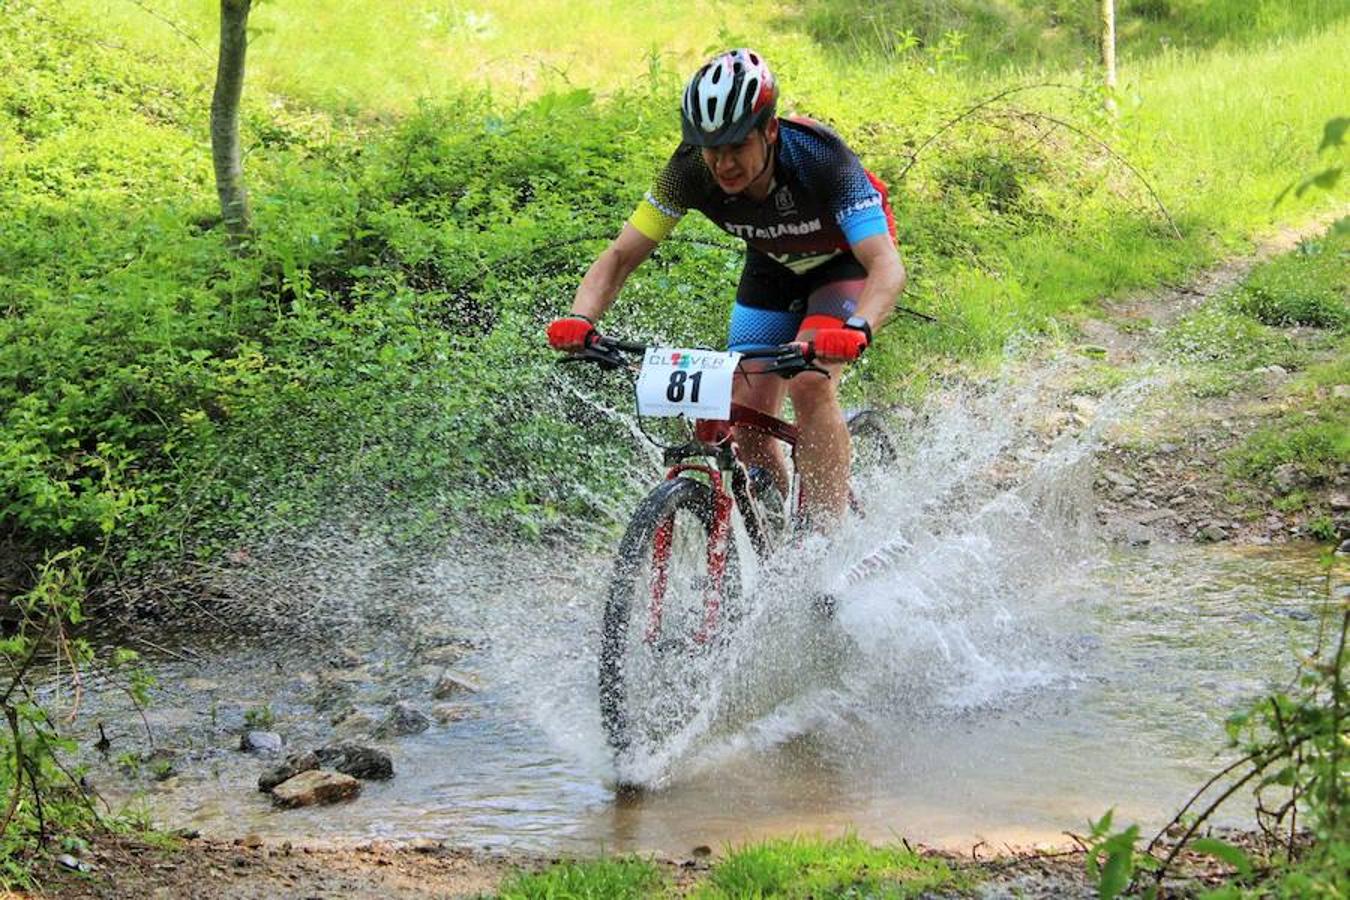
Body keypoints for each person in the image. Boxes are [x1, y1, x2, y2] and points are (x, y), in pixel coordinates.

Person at [548, 48, 906, 527]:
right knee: (744, 414)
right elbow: (619, 257)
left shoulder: (820, 158)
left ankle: (823, 546)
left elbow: (884, 265)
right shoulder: (689, 170)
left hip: (844, 265)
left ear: (770, 130)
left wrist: (858, 328)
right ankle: (777, 539)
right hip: (772, 266)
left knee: (808, 382)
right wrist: (581, 319)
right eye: (711, 147)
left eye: (736, 145)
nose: (723, 162)